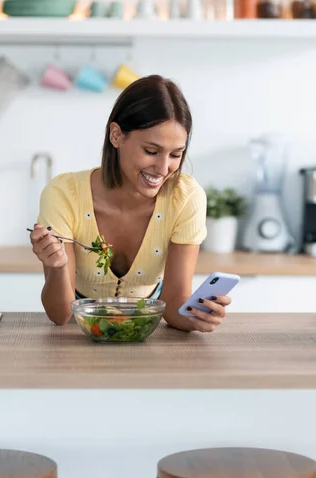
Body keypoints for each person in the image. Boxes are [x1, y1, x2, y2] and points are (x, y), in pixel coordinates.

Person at [31, 74, 232, 331]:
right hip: (78, 332)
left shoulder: (186, 197)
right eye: (151, 151)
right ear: (116, 135)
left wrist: (197, 317)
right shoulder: (63, 194)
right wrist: (56, 266)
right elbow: (60, 315)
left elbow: (173, 305)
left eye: (176, 154)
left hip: (144, 331)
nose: (163, 168)